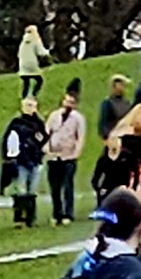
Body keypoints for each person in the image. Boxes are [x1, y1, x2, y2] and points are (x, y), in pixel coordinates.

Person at [2, 95, 48, 228]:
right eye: (27, 105)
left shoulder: (39, 123)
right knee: (20, 189)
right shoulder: (16, 123)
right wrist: (10, 158)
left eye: (32, 105)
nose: (30, 108)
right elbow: (8, 141)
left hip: (35, 160)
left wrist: (39, 151)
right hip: (21, 161)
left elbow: (44, 138)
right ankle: (19, 218)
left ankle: (31, 218)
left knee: (32, 190)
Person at [44, 81, 86, 227]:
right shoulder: (54, 116)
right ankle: (57, 213)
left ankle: (68, 213)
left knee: (68, 185)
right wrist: (47, 149)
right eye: (67, 101)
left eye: (71, 102)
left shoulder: (78, 118)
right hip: (53, 156)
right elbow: (46, 132)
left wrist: (76, 153)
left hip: (68, 156)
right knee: (54, 187)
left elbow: (80, 137)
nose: (68, 104)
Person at [17, 21, 51, 101]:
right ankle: (34, 95)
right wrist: (48, 52)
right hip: (32, 64)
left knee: (26, 83)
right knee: (39, 80)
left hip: (23, 64)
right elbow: (41, 52)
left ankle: (24, 98)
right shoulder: (35, 39)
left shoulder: (23, 41)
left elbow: (19, 54)